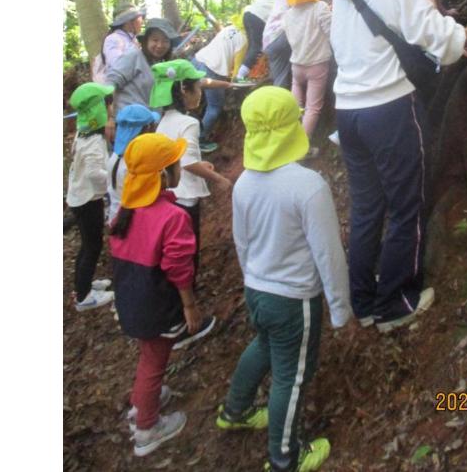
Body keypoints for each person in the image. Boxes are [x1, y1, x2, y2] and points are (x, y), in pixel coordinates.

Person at [327, 0, 467, 332]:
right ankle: (396, 304)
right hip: (389, 110)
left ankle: (364, 301)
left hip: (347, 112)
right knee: (407, 205)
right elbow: (442, 43)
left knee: (368, 208)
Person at [217, 86, 351, 472]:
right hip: (294, 300)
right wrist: (340, 309)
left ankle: (235, 411)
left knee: (264, 345)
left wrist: (253, 280)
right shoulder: (308, 187)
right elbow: (329, 253)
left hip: (258, 290)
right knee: (291, 379)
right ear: (292, 127)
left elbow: (242, 242)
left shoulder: (244, 183)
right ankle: (284, 458)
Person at [109, 133, 215, 457]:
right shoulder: (173, 218)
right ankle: (147, 428)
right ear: (163, 175)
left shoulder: (125, 212)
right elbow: (179, 268)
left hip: (131, 299)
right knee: (155, 361)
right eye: (176, 164)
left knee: (148, 355)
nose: (181, 168)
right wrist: (189, 306)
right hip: (156, 304)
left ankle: (144, 400)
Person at [151, 59, 232, 281]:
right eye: (197, 87)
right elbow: (187, 162)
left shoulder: (163, 121)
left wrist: (201, 164)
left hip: (168, 195)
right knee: (188, 253)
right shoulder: (189, 123)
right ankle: (187, 304)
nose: (200, 93)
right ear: (184, 90)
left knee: (173, 251)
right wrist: (218, 178)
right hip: (185, 199)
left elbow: (174, 157)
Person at [66, 82, 116, 311]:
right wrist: (114, 183)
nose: (111, 107)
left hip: (79, 196)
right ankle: (84, 297)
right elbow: (96, 173)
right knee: (92, 246)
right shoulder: (94, 140)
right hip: (88, 200)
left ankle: (83, 284)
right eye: (108, 103)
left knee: (88, 245)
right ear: (100, 108)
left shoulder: (83, 132)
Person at [104, 18, 181, 141]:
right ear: (146, 41)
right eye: (155, 40)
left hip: (147, 128)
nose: (160, 45)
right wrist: (110, 118)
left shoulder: (162, 65)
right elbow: (110, 85)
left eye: (165, 41)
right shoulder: (133, 56)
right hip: (126, 126)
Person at [282, 0, 332, 139]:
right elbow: (333, 33)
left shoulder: (288, 14)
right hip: (317, 66)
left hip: (296, 65)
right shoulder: (320, 8)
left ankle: (289, 140)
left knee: (296, 107)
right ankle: (301, 149)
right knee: (313, 108)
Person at [191, 23, 246, 152]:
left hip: (197, 60)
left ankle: (187, 137)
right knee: (214, 107)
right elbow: (238, 71)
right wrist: (238, 81)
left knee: (189, 103)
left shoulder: (230, 28)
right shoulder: (245, 40)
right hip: (213, 69)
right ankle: (199, 140)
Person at [106, 104, 161, 224]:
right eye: (152, 126)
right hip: (132, 224)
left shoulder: (115, 157)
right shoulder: (136, 165)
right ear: (146, 129)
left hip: (116, 218)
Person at [241, 0, 284, 81]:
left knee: (252, 47)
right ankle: (240, 76)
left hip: (248, 12)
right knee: (256, 47)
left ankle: (246, 74)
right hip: (261, 16)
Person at [92, 3, 145, 84]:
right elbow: (118, 66)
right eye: (139, 18)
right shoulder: (113, 39)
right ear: (129, 22)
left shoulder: (134, 40)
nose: (142, 21)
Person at [261, 0, 294, 90]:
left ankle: (279, 99)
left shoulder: (279, 0)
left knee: (280, 78)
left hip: (269, 42)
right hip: (281, 36)